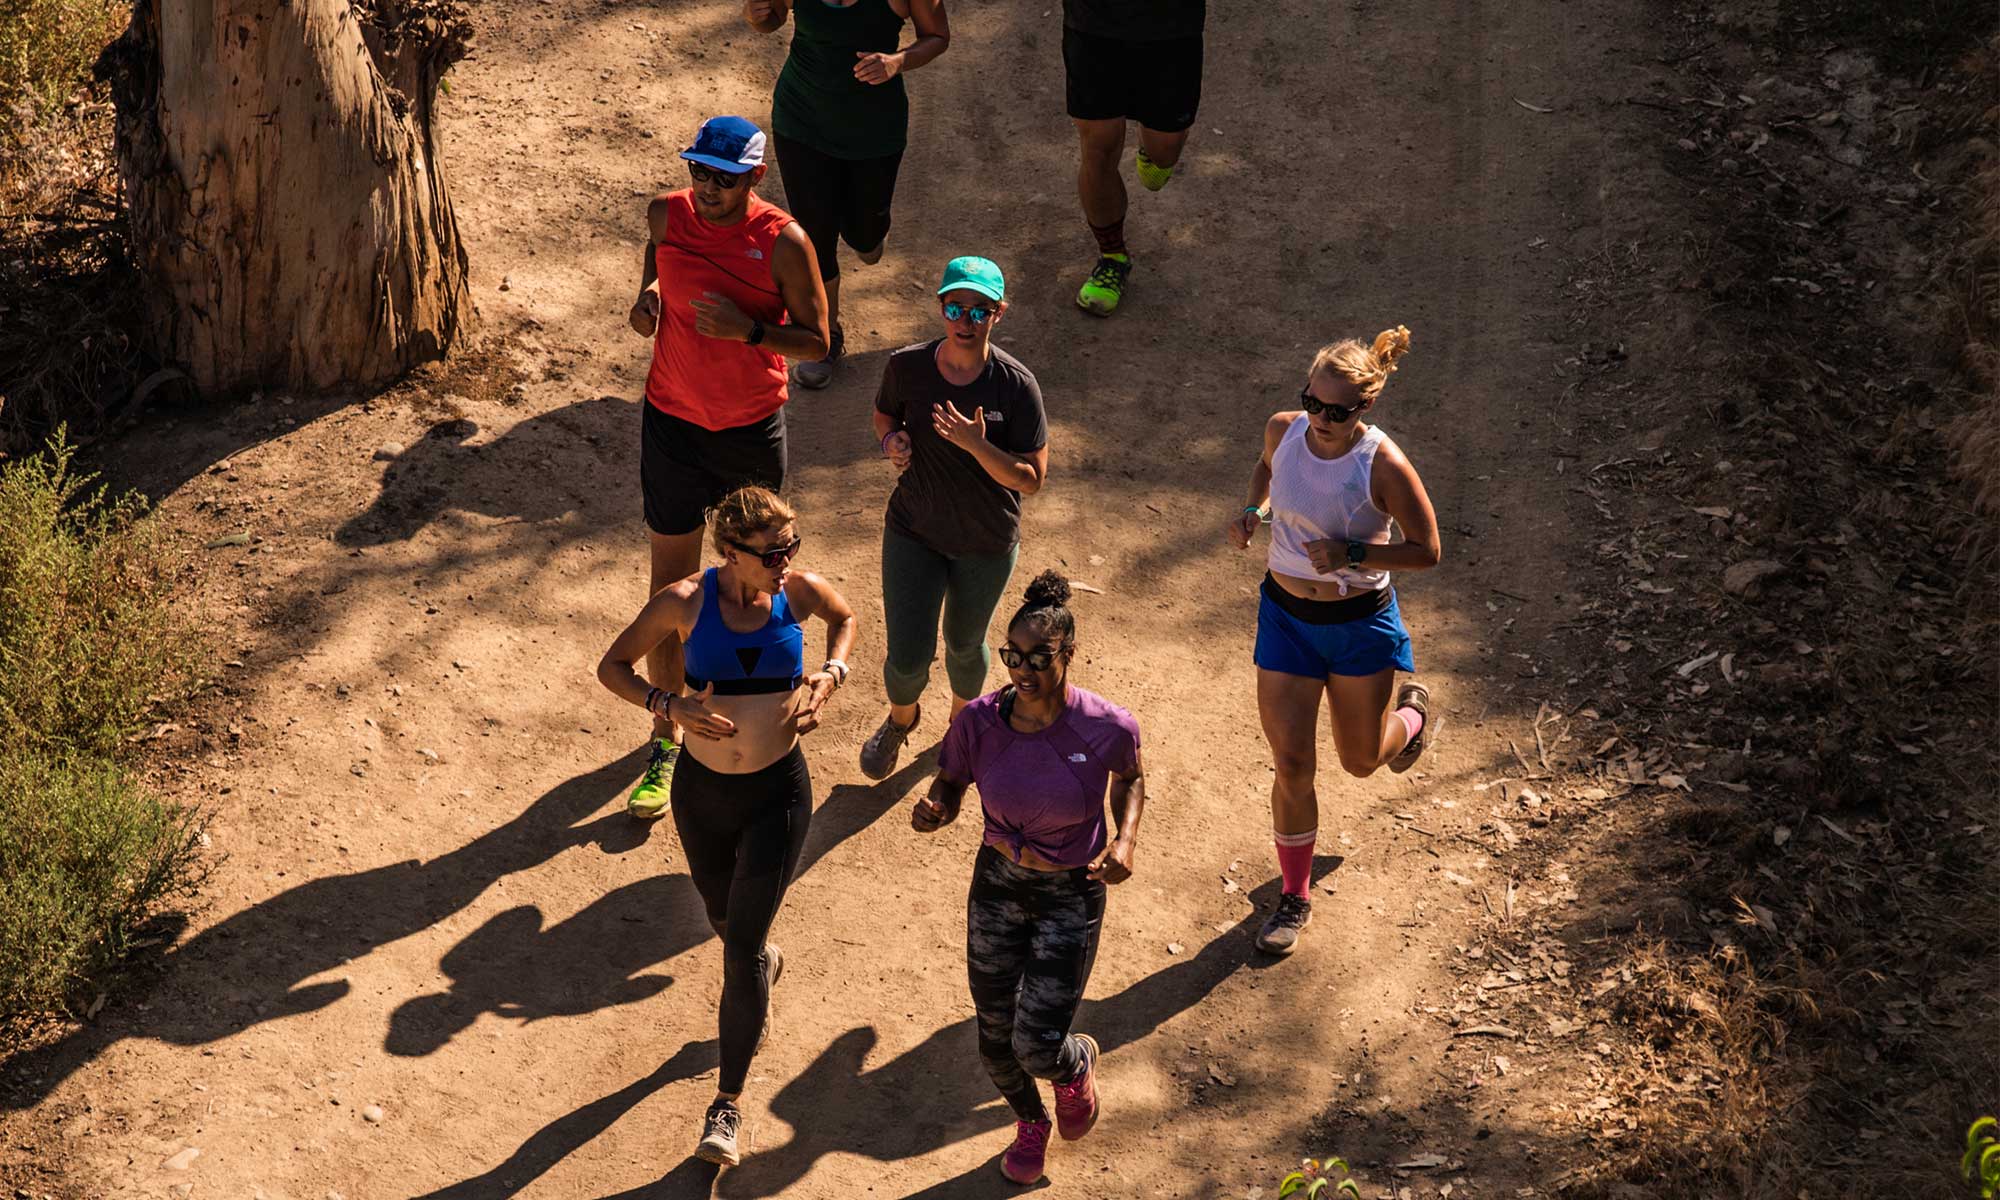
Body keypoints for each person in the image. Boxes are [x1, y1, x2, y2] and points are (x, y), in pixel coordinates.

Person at [596, 486, 856, 1167]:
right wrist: (667, 705)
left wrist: (831, 672)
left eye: (792, 547)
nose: (787, 560)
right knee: (724, 920)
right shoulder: (684, 601)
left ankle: (729, 1106)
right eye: (773, 552)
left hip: (779, 793)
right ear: (732, 553)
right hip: (702, 795)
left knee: (736, 950)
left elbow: (846, 617)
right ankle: (761, 964)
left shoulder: (798, 593)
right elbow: (611, 665)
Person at [624, 116, 831, 820]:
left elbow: (817, 342)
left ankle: (764, 722)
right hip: (672, 421)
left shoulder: (784, 242)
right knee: (671, 592)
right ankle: (666, 736)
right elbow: (657, 260)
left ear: (754, 177)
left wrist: (748, 331)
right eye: (698, 173)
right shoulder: (666, 214)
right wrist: (650, 298)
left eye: (724, 177)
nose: (707, 189)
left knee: (751, 586)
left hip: (747, 431)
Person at [911, 571, 1145, 1185]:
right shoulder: (979, 721)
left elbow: (1131, 777)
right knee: (994, 1041)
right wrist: (938, 807)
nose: (1022, 669)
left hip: (1071, 893)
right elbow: (952, 780)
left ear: (1068, 654)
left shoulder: (1106, 727)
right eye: (1012, 656)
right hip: (999, 884)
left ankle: (1073, 1067)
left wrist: (1124, 839)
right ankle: (1031, 1122)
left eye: (1038, 658)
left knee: (1038, 1044)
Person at [1223, 326, 1442, 957]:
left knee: (1361, 761)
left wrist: (1354, 551)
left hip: (1357, 627)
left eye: (1337, 411)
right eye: (1313, 402)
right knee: (1292, 765)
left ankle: (1412, 717)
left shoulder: (1382, 464)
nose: (1321, 418)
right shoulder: (1283, 430)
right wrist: (1254, 513)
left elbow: (1427, 551)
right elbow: (1266, 471)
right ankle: (1294, 897)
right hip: (1286, 619)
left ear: (1364, 408)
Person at [860, 256, 1049, 780]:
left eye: (979, 310)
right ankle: (901, 720)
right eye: (955, 307)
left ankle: (962, 728)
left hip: (985, 542)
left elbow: (1031, 479)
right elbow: (884, 414)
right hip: (913, 531)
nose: (966, 321)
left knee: (965, 644)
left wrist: (975, 445)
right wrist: (890, 440)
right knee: (905, 658)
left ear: (999, 314)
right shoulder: (907, 367)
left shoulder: (1015, 386)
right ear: (941, 308)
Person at [745, 0, 952, 389]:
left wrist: (897, 61)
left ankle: (870, 234)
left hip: (874, 130)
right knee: (814, 234)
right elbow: (770, 18)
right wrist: (756, 17)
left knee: (865, 237)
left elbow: (937, 36)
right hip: (800, 119)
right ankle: (825, 337)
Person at [1062, 0, 1206, 316]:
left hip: (1172, 32)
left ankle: (1152, 146)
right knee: (1098, 148)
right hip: (1092, 29)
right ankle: (1112, 256)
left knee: (1163, 155)